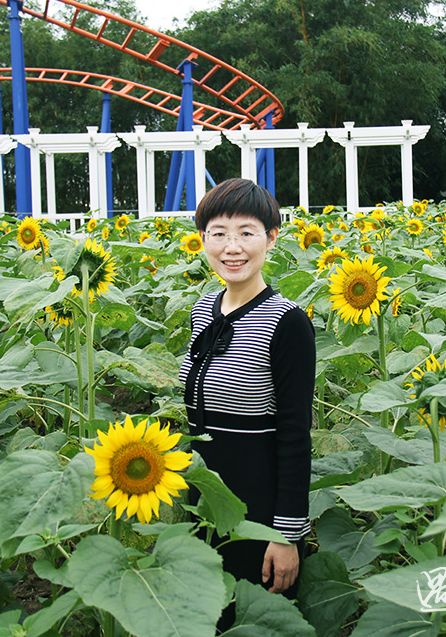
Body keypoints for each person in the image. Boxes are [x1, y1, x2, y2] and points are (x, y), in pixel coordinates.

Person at [178, 178, 315, 627]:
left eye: (246, 232)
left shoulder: (287, 322)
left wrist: (285, 534)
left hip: (257, 505)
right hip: (202, 495)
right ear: (203, 239)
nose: (231, 247)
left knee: (251, 618)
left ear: (271, 238)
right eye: (218, 233)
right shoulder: (204, 308)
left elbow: (295, 436)